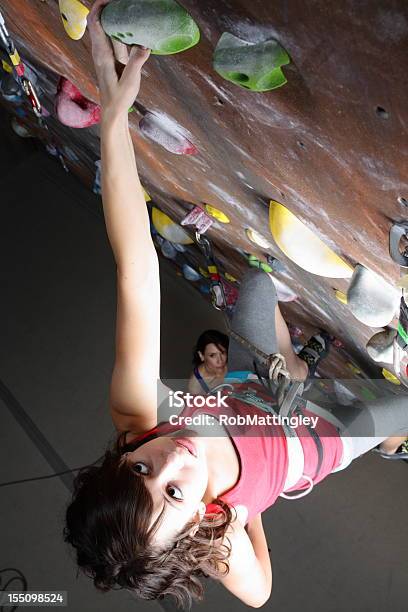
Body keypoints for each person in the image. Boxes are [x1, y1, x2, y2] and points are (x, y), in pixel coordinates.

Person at [64, 2, 408, 608]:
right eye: (174, 493)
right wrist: (248, 508)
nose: (172, 458)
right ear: (196, 521)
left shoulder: (141, 418)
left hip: (260, 392)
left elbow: (139, 270)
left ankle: (294, 369)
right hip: (319, 442)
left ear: (121, 457)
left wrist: (114, 118)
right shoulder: (216, 531)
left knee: (254, 285)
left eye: (142, 470)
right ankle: (390, 443)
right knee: (398, 407)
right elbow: (260, 595)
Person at [188, 329, 229, 394]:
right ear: (201, 355)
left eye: (222, 353)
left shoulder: (231, 364)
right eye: (212, 355)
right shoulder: (195, 385)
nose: (220, 361)